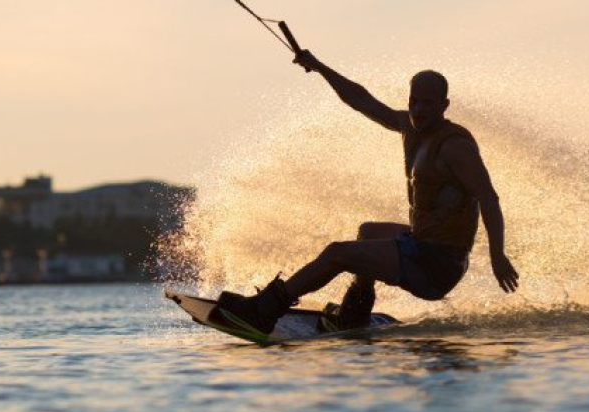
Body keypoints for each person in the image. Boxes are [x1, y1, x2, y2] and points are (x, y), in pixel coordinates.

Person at [214, 49, 519, 334]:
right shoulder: (408, 126)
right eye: (414, 101)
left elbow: (488, 197)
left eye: (428, 103)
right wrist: (320, 68)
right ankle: (355, 315)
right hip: (423, 243)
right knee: (368, 231)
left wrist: (497, 255)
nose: (419, 109)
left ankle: (264, 312)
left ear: (444, 106)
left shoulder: (455, 146)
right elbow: (361, 100)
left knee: (337, 253)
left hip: (438, 262)